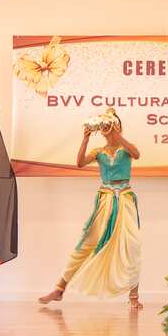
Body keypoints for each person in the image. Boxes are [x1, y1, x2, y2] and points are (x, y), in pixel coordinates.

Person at [38, 108, 143, 309]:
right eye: (103, 127)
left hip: (125, 200)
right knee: (87, 243)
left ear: (118, 126)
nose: (106, 129)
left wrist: (117, 135)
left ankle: (134, 296)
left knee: (132, 245)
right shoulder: (98, 152)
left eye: (110, 125)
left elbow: (136, 154)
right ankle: (59, 288)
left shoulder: (126, 149)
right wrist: (85, 138)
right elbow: (79, 163)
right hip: (105, 200)